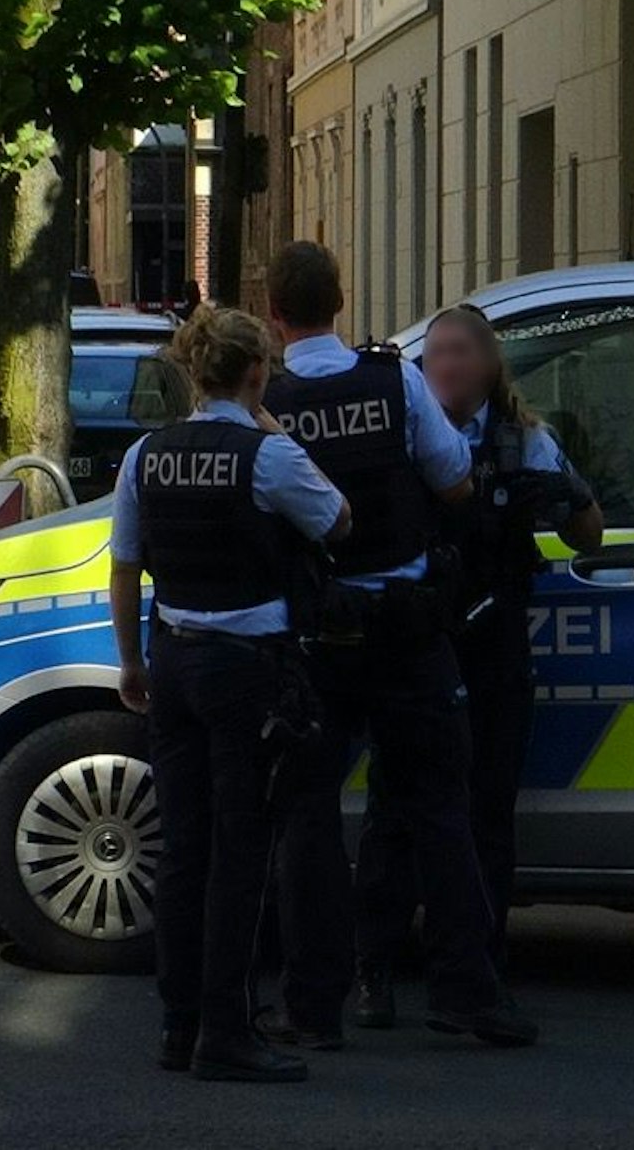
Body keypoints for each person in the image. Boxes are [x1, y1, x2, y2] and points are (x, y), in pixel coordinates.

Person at [261, 242, 537, 1049]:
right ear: (341, 300)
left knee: (308, 822)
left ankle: (312, 1009)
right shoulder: (393, 380)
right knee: (442, 812)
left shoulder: (268, 402)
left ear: (276, 313)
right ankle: (467, 993)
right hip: (409, 632)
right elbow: (454, 481)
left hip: (314, 639)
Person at [110, 305, 349, 1084]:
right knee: (240, 854)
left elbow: (124, 565)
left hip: (171, 658)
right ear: (255, 374)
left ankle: (178, 1025)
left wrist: (132, 665)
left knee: (182, 851)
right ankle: (227, 1030)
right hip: (246, 667)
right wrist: (271, 427)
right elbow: (338, 521)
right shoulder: (267, 457)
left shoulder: (146, 455)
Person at [352, 304, 604, 1023]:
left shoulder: (524, 441)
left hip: (493, 646)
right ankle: (375, 971)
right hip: (416, 646)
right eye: (434, 355)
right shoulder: (398, 438)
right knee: (393, 813)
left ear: (492, 366)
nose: (445, 366)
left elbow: (590, 535)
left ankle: (477, 972)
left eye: (461, 352)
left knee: (487, 816)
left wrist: (566, 496)